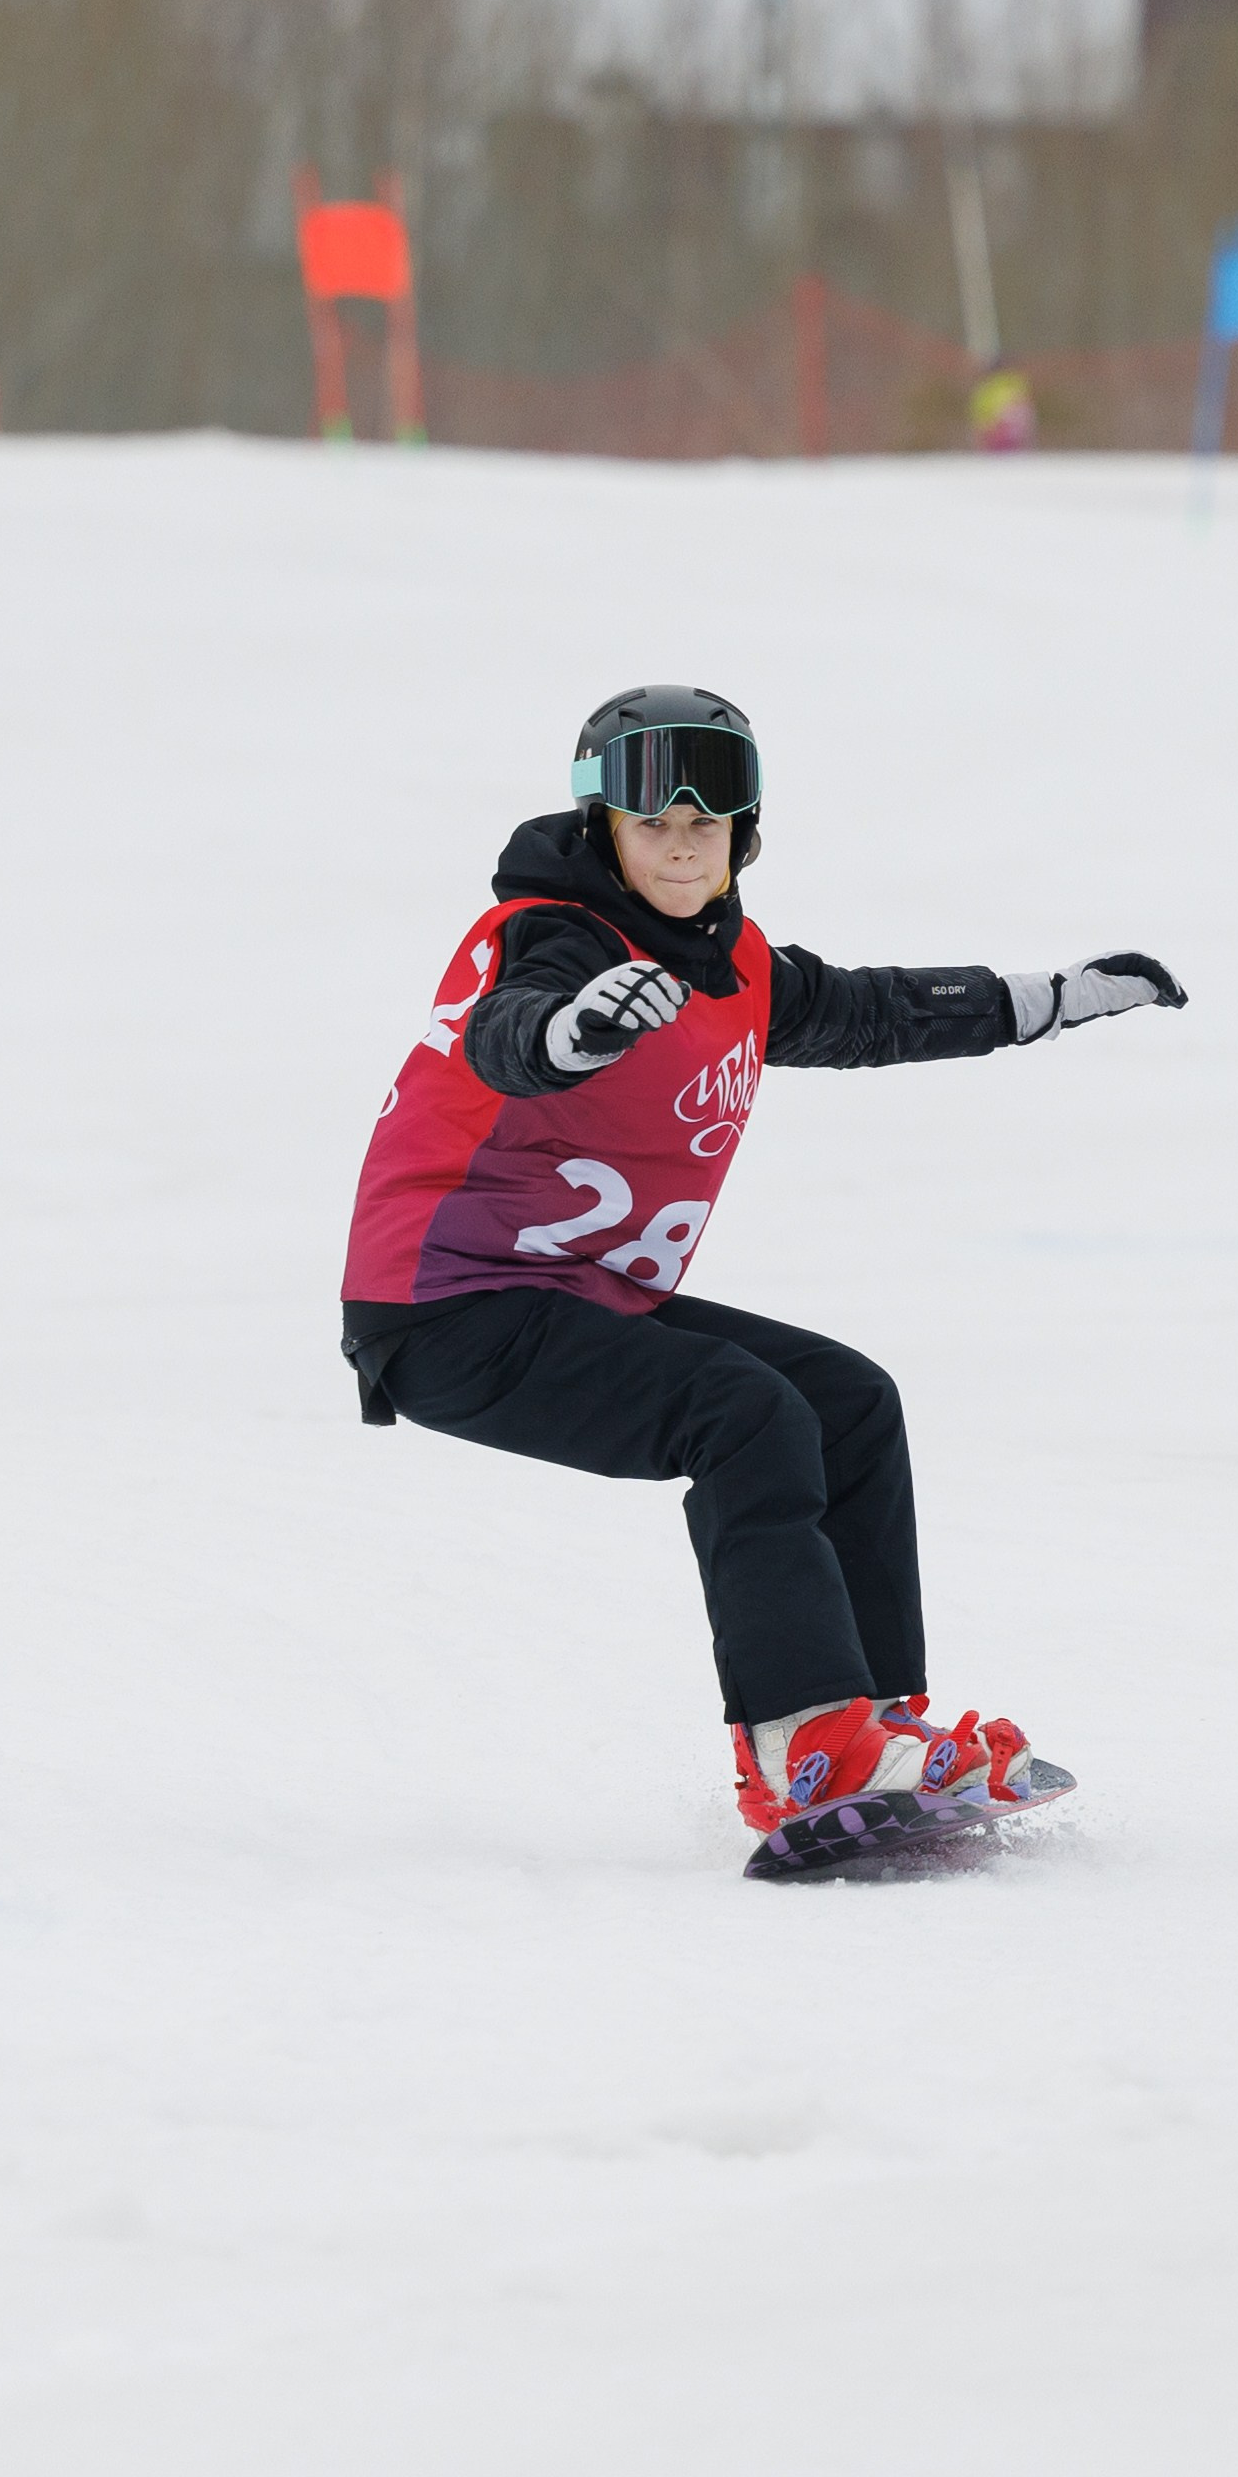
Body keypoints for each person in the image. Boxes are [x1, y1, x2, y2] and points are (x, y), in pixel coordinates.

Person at [341, 685, 1184, 1839]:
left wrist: (1042, 1003)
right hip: (447, 1312)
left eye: (708, 823)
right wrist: (571, 1031)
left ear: (744, 834)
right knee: (742, 1413)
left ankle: (875, 1724)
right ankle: (805, 1746)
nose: (682, 845)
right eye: (653, 822)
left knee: (845, 1400)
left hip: (572, 1295)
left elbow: (867, 1013)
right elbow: (512, 1028)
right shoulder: (555, 939)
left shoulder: (728, 964)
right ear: (603, 829)